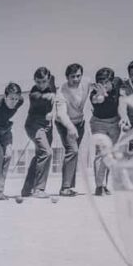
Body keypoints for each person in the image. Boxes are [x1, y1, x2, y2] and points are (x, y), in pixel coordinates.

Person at [21, 67, 80, 198]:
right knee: (46, 152)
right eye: (38, 82)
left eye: (44, 81)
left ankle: (26, 189)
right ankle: (38, 190)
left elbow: (52, 83)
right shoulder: (34, 94)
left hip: (47, 127)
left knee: (39, 156)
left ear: (48, 79)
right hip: (34, 126)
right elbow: (47, 97)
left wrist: (52, 111)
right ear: (34, 81)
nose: (41, 85)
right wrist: (53, 103)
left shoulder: (50, 82)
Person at [57, 63, 90, 195]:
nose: (76, 79)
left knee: (73, 153)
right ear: (67, 77)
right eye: (72, 77)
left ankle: (68, 186)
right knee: (73, 150)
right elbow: (61, 114)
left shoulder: (87, 82)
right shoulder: (61, 91)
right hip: (65, 123)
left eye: (78, 76)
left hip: (79, 122)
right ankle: (65, 188)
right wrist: (70, 127)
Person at [89, 68, 123, 196]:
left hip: (115, 123)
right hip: (99, 123)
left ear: (111, 81)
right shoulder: (94, 93)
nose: (103, 85)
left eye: (105, 82)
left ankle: (105, 185)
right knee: (100, 154)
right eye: (100, 82)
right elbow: (97, 100)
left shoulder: (118, 82)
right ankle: (99, 186)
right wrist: (101, 94)